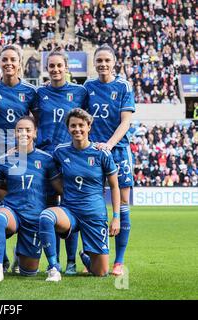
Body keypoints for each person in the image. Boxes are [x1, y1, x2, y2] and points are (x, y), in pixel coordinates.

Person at [39, 108, 120, 282]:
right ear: (68, 128)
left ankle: (85, 254)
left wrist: (116, 217)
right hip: (71, 211)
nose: (77, 129)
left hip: (94, 214)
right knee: (46, 216)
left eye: (81, 125)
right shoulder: (60, 151)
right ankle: (54, 267)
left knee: (101, 272)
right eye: (73, 125)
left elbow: (114, 186)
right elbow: (48, 169)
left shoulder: (102, 153)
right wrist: (20, 150)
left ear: (89, 126)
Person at [0, 116, 61, 282]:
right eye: (19, 129)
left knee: (29, 272)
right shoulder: (5, 159)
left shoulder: (46, 159)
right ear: (14, 133)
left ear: (35, 133)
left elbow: (59, 188)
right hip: (12, 210)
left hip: (35, 216)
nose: (23, 133)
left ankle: (19, 255)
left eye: (28, 130)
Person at [35, 48, 88, 275]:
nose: (55, 70)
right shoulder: (39, 93)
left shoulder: (80, 92)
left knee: (70, 207)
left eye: (59, 66)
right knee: (48, 209)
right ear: (47, 69)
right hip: (46, 158)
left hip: (70, 158)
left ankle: (72, 262)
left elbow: (86, 121)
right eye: (51, 66)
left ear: (67, 68)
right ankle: (52, 261)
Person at [84, 44, 135, 276]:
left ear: (114, 62)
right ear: (94, 63)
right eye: (99, 60)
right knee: (89, 202)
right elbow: (81, 118)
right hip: (92, 153)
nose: (103, 64)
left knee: (122, 203)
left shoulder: (124, 86)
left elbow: (126, 122)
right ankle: (90, 256)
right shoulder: (88, 87)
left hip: (118, 151)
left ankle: (119, 261)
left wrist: (110, 144)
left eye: (107, 60)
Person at [0, 44, 38, 272]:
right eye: (4, 59)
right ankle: (3, 256)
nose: (9, 63)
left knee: (23, 203)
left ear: (20, 63)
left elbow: (36, 123)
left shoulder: (30, 91)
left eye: (13, 60)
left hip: (23, 159)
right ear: (0, 63)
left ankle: (21, 252)